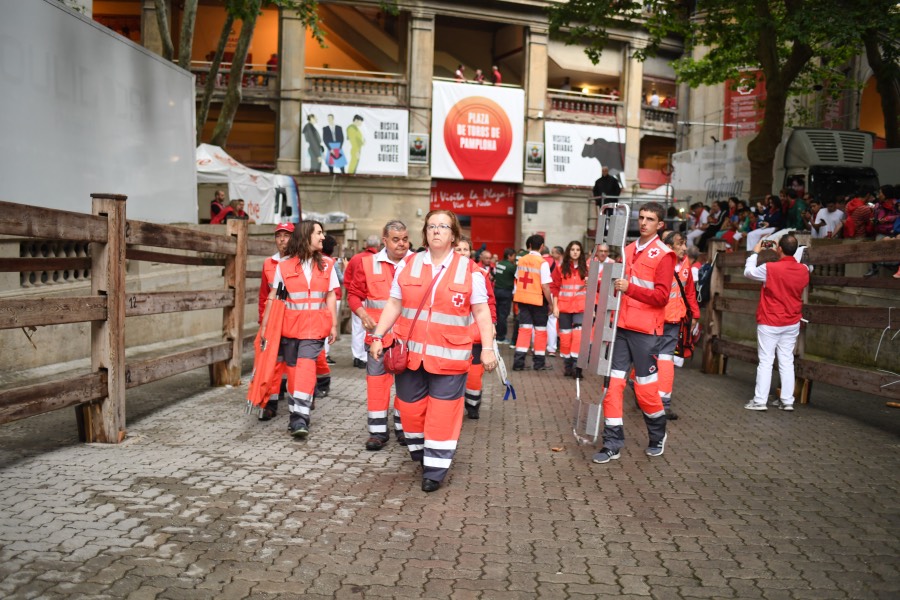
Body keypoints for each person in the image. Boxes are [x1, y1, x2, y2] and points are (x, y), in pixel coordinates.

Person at [368, 210, 496, 493]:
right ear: (425, 233)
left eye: (443, 226)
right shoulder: (408, 264)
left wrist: (487, 349)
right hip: (410, 355)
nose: (437, 230)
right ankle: (421, 452)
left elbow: (481, 312)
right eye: (432, 226)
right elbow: (393, 305)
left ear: (453, 235)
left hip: (450, 357)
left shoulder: (470, 270)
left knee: (442, 413)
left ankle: (435, 470)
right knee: (410, 411)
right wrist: (377, 336)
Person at [592, 202, 675, 464]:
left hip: (646, 331)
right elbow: (617, 285)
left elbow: (662, 297)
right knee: (612, 386)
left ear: (660, 225)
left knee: (645, 391)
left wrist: (630, 289)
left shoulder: (664, 254)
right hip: (621, 328)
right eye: (641, 218)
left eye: (650, 219)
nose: (644, 223)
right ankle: (612, 443)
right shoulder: (627, 250)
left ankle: (657, 436)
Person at [346, 220, 412, 451]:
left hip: (408, 338)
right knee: (376, 384)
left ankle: (405, 429)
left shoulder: (418, 263)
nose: (401, 243)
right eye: (396, 239)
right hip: (377, 338)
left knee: (408, 386)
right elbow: (353, 294)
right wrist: (362, 313)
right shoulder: (368, 263)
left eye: (404, 238)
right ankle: (377, 432)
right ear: (384, 241)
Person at [278, 220, 340, 438]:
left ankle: (299, 420)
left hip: (315, 328)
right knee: (294, 374)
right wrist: (269, 329)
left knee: (304, 370)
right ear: (306, 237)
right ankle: (298, 411)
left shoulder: (327, 264)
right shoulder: (283, 267)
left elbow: (331, 294)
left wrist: (333, 324)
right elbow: (276, 299)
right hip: (290, 328)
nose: (323, 237)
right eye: (319, 233)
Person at [743, 234, 811, 412]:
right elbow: (794, 264)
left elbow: (748, 272)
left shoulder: (769, 268)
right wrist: (781, 253)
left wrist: (755, 252)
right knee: (787, 361)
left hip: (770, 319)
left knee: (766, 361)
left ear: (779, 248)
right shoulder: (804, 269)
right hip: (792, 320)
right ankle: (787, 400)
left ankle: (760, 401)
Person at [656, 231, 700, 420]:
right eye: (680, 244)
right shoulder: (658, 262)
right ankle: (644, 391)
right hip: (654, 319)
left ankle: (663, 404)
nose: (684, 248)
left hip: (673, 320)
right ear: (668, 246)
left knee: (665, 361)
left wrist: (695, 314)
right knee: (650, 359)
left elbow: (689, 290)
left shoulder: (686, 264)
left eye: (685, 244)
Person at [255, 222, 295, 422]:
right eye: (279, 235)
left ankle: (301, 397)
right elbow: (264, 294)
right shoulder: (269, 263)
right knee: (273, 360)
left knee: (294, 360)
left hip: (296, 317)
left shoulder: (300, 261)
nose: (282, 239)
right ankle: (269, 403)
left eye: (286, 235)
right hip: (275, 318)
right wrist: (263, 319)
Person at [455, 237, 497, 420]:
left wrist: (492, 324)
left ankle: (473, 405)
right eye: (458, 249)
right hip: (453, 332)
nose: (462, 252)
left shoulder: (479, 273)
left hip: (474, 332)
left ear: (471, 251)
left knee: (474, 373)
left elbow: (490, 301)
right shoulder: (444, 272)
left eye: (465, 249)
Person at [512, 235, 553, 371]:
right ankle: (539, 364)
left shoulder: (522, 260)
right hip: (538, 301)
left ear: (529, 245)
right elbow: (545, 286)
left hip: (523, 300)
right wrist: (551, 304)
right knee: (540, 331)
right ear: (542, 246)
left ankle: (518, 363)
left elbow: (517, 278)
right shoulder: (542, 262)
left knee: (524, 330)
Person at [343, 235, 381, 369]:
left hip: (357, 299)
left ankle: (357, 356)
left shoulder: (355, 258)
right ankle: (365, 356)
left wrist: (352, 294)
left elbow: (346, 279)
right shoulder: (378, 260)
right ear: (377, 246)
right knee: (370, 328)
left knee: (357, 329)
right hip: (372, 300)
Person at [552, 241, 588, 378]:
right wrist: (555, 306)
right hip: (564, 307)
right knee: (565, 338)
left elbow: (592, 290)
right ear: (569, 251)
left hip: (580, 308)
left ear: (581, 252)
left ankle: (577, 367)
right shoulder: (561, 268)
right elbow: (555, 287)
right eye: (572, 249)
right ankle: (568, 366)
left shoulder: (586, 268)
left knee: (578, 337)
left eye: (578, 249)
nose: (575, 252)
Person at [493, 248, 516, 344]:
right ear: (509, 256)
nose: (514, 258)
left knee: (497, 314)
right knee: (503, 315)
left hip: (496, 291)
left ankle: (496, 334)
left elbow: (494, 275)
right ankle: (501, 337)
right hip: (506, 292)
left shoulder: (499, 264)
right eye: (514, 256)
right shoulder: (511, 267)